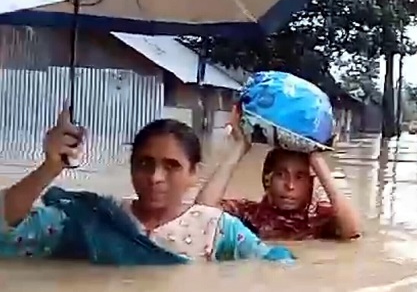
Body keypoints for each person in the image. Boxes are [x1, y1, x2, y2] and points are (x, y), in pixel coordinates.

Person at [0, 104, 294, 265]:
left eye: (172, 166)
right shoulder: (96, 219)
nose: (155, 177)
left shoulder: (216, 230)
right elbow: (7, 230)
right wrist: (49, 167)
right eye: (144, 163)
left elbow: (276, 266)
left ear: (194, 173)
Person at [195, 105, 361, 241]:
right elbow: (201, 213)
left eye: (300, 177)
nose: (289, 186)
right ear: (268, 179)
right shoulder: (252, 216)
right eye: (281, 174)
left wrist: (315, 157)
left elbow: (352, 232)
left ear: (311, 183)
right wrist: (240, 147)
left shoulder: (318, 220)